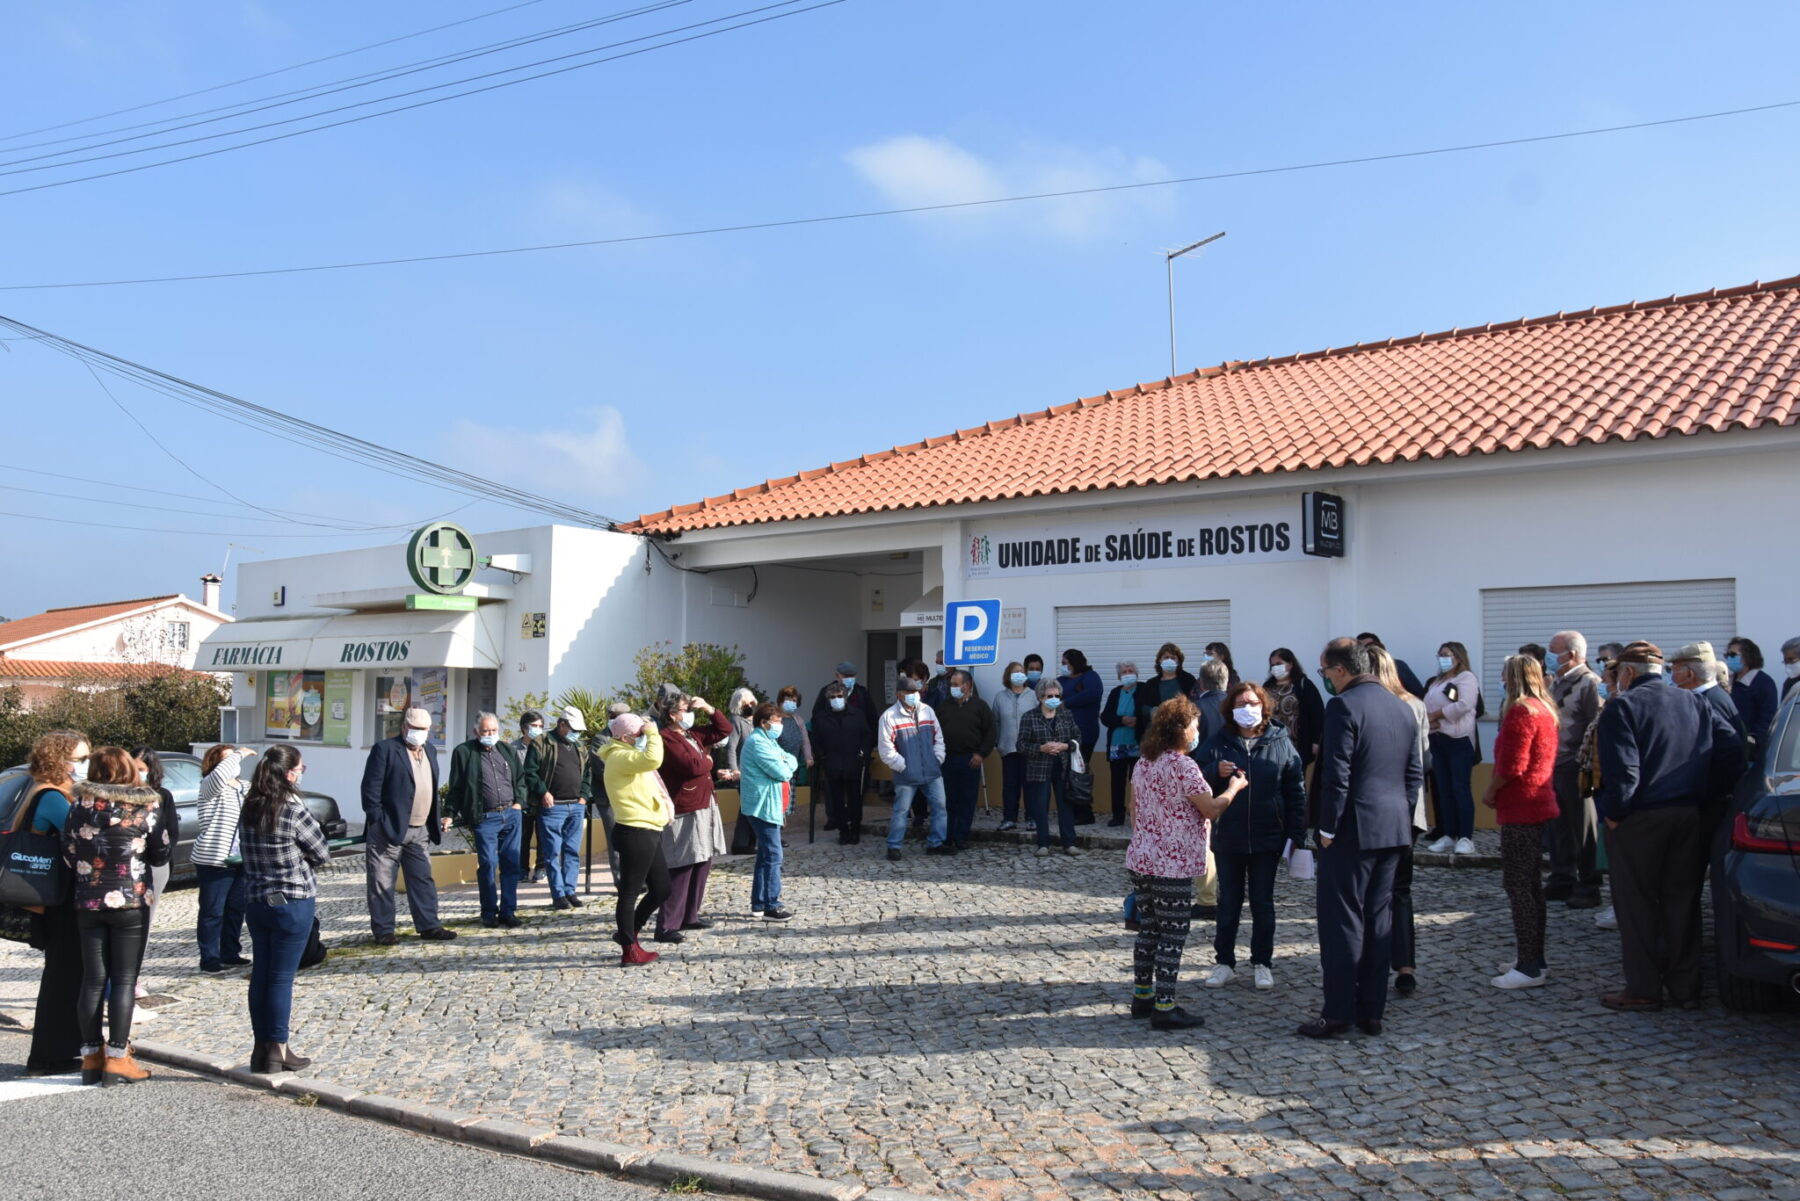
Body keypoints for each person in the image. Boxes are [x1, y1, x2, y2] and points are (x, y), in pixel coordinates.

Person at [1596, 642, 1742, 1010]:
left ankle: (1644, 988)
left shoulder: (1622, 706)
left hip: (1641, 817)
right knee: (1682, 902)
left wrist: (1615, 813)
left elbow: (1625, 770)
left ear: (1628, 672)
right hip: (1687, 813)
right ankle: (1685, 987)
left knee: (1637, 905)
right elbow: (1731, 748)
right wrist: (1705, 794)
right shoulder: (1693, 701)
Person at [1300, 638, 1423, 1039]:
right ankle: (1372, 1012)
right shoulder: (1402, 706)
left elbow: (1337, 773)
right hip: (1393, 828)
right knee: (1377, 920)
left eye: (1324, 671)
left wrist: (1327, 828)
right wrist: (1401, 818)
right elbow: (1414, 774)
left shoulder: (1343, 705)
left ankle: (1338, 1013)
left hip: (1351, 829)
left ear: (1340, 670)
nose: (1325, 679)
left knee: (1343, 922)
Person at [1126, 695, 1245, 1029]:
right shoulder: (1183, 766)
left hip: (1142, 858)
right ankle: (1165, 1006)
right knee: (1173, 934)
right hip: (1172, 864)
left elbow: (1133, 808)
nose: (1197, 733)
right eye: (1194, 726)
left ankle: (1142, 997)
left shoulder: (1144, 762)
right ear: (1180, 730)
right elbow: (1211, 808)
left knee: (1149, 929)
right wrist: (1234, 788)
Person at [59, 747, 170, 1085]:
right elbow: (161, 852)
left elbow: (68, 852)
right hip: (131, 900)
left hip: (88, 901)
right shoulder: (147, 805)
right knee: (123, 980)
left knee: (92, 979)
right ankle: (119, 1058)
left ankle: (91, 1056)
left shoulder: (79, 806)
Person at [1193, 682, 1305, 992]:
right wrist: (1214, 771)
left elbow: (1295, 791)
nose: (1247, 709)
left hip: (1268, 836)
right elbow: (1195, 778)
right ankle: (1224, 962)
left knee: (1262, 902)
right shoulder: (1218, 742)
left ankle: (1262, 962)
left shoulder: (1280, 741)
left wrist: (1296, 834)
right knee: (1228, 902)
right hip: (1229, 836)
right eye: (1241, 704)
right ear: (1231, 709)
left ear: (1263, 706)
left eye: (1253, 703)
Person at [238, 745, 328, 1074]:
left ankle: (260, 1049)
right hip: (292, 900)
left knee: (261, 974)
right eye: (301, 769)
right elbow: (321, 852)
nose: (302, 774)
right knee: (280, 978)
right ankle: (278, 1048)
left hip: (257, 900)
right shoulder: (292, 810)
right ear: (290, 774)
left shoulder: (250, 807)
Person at [1481, 656, 1560, 989]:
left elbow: (1513, 765)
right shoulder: (1544, 709)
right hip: (1535, 803)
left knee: (1518, 886)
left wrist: (1490, 791)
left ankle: (1529, 964)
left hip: (1521, 805)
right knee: (1530, 885)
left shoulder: (1521, 711)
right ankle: (1532, 958)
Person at [360, 707, 456, 944]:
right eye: (415, 728)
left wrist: (436, 818)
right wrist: (379, 822)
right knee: (382, 882)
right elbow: (370, 791)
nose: (420, 733)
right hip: (388, 830)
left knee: (423, 879)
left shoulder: (430, 750)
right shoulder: (385, 749)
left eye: (424, 729)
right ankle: (384, 931)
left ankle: (429, 926)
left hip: (420, 829)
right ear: (404, 727)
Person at [22, 730, 86, 1076]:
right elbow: (81, 834)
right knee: (64, 975)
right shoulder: (52, 795)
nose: (84, 765)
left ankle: (60, 1051)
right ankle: (49, 1056)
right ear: (58, 760)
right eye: (80, 759)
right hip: (58, 898)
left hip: (56, 895)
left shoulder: (46, 789)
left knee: (67, 973)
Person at [1366, 646, 1429, 996]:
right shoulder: (1415, 705)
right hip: (1410, 808)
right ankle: (1405, 966)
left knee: (1374, 890)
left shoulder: (1370, 706)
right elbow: (1424, 758)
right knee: (1400, 890)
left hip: (1380, 809)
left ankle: (1372, 962)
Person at [653, 687, 731, 939]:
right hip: (685, 807)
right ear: (672, 714)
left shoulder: (691, 734)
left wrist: (708, 708)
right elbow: (692, 766)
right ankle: (667, 924)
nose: (689, 714)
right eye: (685, 710)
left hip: (704, 803)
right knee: (683, 863)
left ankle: (690, 915)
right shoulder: (666, 738)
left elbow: (724, 730)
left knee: (702, 860)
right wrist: (709, 762)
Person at [597, 713, 673, 965]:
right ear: (624, 737)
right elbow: (653, 758)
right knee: (629, 892)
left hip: (647, 827)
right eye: (639, 734)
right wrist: (653, 733)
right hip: (634, 830)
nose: (643, 737)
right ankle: (629, 949)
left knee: (662, 888)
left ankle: (630, 933)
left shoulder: (627, 754)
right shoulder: (619, 756)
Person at [445, 712, 526, 929]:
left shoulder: (507, 750)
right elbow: (456, 786)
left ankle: (508, 911)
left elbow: (520, 779)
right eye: (485, 731)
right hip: (485, 817)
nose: (490, 734)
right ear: (476, 732)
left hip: (511, 814)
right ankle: (489, 911)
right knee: (489, 863)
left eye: (493, 730)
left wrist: (519, 802)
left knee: (511, 864)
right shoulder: (464, 752)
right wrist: (449, 813)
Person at [1670, 642, 1751, 857]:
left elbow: (1729, 751)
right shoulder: (1712, 696)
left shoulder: (1708, 701)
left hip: (1711, 801)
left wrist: (1706, 791)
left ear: (1690, 673)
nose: (1672, 676)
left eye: (1675, 670)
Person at [1544, 630, 1604, 909]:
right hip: (1554, 763)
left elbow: (1596, 725)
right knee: (1558, 826)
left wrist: (1590, 766)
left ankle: (1589, 883)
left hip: (1578, 766)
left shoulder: (1590, 682)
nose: (1548, 655)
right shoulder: (1556, 682)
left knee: (1583, 827)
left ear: (1570, 654)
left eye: (1552, 650)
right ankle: (1562, 877)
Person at [523, 705, 593, 910]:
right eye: (573, 729)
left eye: (578, 730)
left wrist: (583, 796)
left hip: (576, 806)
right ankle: (558, 895)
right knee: (552, 853)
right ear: (562, 724)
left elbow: (587, 773)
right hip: (552, 807)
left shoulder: (580, 747)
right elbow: (530, 773)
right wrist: (543, 792)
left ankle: (570, 891)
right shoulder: (541, 742)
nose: (576, 734)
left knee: (572, 851)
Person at [192, 743, 255, 972]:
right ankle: (209, 957)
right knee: (213, 910)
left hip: (241, 857)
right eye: (227, 760)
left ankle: (230, 952)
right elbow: (219, 776)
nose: (234, 763)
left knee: (236, 908)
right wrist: (238, 754)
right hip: (215, 858)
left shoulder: (244, 787)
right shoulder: (209, 785)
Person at [128, 747, 181, 1006]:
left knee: (145, 922)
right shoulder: (121, 794)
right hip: (128, 867)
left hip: (155, 865)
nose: (138, 773)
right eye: (134, 767)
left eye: (142, 769)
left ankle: (134, 976)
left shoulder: (162, 795)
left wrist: (159, 854)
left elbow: (171, 832)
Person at [739, 701, 799, 919]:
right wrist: (786, 765)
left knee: (765, 855)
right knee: (774, 854)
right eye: (776, 721)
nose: (779, 725)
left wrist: (786, 763)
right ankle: (771, 904)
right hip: (762, 806)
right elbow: (782, 772)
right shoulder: (758, 742)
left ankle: (759, 904)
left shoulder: (769, 741)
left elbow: (791, 759)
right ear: (764, 723)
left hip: (769, 804)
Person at [878, 676, 948, 860]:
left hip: (931, 771)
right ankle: (894, 846)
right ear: (899, 694)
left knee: (940, 807)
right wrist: (903, 766)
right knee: (901, 811)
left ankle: (936, 843)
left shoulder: (928, 711)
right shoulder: (889, 716)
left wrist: (937, 759)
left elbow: (938, 738)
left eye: (915, 692)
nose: (913, 695)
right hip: (906, 774)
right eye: (908, 692)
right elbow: (886, 749)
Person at [1423, 641, 1480, 855]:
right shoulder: (1437, 681)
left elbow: (1464, 704)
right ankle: (1448, 834)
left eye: (1446, 654)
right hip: (1438, 738)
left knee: (1459, 788)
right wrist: (1430, 721)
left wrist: (1437, 715)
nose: (1442, 658)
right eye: (1439, 655)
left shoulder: (1465, 678)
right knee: (1444, 789)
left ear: (1458, 656)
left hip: (1458, 739)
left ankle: (1465, 837)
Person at [1018, 678, 1083, 856]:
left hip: (1063, 767)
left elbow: (1078, 738)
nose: (1054, 699)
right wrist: (1041, 748)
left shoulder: (1066, 715)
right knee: (1040, 807)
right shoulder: (1029, 717)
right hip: (1039, 768)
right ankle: (1043, 843)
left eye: (1057, 695)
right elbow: (1021, 745)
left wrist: (1065, 746)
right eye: (1049, 696)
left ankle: (1069, 843)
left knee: (1066, 806)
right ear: (1040, 697)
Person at [937, 669, 996, 850]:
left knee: (967, 800)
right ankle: (946, 836)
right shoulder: (944, 707)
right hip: (947, 760)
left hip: (970, 760)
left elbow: (991, 732)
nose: (952, 688)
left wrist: (981, 754)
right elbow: (935, 732)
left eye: (956, 685)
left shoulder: (980, 706)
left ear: (967, 685)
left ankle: (961, 836)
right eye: (951, 685)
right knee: (948, 800)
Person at [812, 681, 874, 844]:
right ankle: (843, 831)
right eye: (832, 697)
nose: (836, 699)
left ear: (845, 697)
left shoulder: (857, 714)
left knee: (855, 800)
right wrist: (822, 757)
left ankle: (855, 830)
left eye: (839, 696)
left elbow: (867, 735)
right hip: (832, 764)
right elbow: (816, 740)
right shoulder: (821, 718)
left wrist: (863, 753)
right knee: (836, 801)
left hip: (854, 763)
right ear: (828, 699)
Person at [1057, 649, 1104, 823]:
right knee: (1068, 773)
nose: (1063, 666)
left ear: (1074, 662)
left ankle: (1084, 813)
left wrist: (1067, 703)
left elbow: (1092, 693)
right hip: (1065, 735)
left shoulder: (1090, 676)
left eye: (1065, 663)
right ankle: (1075, 811)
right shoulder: (1062, 680)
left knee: (1079, 772)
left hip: (1085, 733)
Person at [991, 661, 1037, 833]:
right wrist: (998, 743)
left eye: (1022, 671)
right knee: (1010, 785)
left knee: (1030, 785)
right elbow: (995, 721)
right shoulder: (1000, 697)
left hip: (1029, 748)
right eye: (1015, 671)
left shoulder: (1033, 695)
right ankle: (1009, 818)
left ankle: (1031, 818)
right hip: (1008, 748)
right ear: (1008, 676)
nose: (1019, 674)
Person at [1263, 648, 1326, 768]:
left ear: (1290, 664)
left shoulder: (1303, 685)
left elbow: (1317, 714)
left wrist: (1316, 741)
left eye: (1279, 664)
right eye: (1272, 665)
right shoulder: (1267, 687)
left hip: (1298, 744)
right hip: (1272, 745)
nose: (1275, 668)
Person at [1101, 661, 1144, 829]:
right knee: (1117, 782)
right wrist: (1122, 720)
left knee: (1138, 782)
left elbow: (1148, 712)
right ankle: (1117, 816)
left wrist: (1138, 720)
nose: (1127, 674)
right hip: (1117, 745)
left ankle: (1139, 816)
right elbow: (1105, 717)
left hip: (1138, 744)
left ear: (1136, 674)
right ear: (1119, 676)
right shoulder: (1115, 693)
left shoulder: (1144, 689)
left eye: (1130, 671)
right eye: (1124, 672)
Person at [511, 710, 547, 884]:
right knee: (522, 837)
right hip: (521, 800)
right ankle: (522, 870)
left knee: (542, 835)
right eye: (534, 726)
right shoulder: (513, 749)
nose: (537, 729)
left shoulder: (545, 747)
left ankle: (541, 868)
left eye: (540, 726)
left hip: (541, 798)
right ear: (524, 727)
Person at [1725, 637, 1779, 749]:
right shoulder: (1727, 681)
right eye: (1727, 655)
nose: (1729, 658)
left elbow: (1767, 717)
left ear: (1748, 656)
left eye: (1733, 655)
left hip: (1750, 747)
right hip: (1727, 744)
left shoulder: (1764, 683)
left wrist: (1753, 740)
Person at [723, 686, 758, 853]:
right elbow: (731, 747)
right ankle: (740, 844)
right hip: (743, 772)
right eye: (745, 705)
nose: (749, 707)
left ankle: (749, 842)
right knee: (747, 808)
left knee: (751, 807)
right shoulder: (736, 721)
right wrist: (734, 770)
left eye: (751, 703)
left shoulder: (755, 720)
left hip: (755, 772)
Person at [1358, 633, 1425, 698]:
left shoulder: (1398, 665)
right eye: (1360, 648)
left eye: (1371, 646)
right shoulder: (1357, 670)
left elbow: (1418, 691)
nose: (1367, 650)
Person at [773, 685, 814, 787]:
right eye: (788, 699)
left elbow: (805, 741)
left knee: (790, 794)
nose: (791, 702)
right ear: (781, 701)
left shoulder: (799, 720)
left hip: (793, 766)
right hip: (776, 766)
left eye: (794, 700)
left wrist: (808, 757)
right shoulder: (774, 718)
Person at [1189, 660, 1232, 748]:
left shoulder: (1195, 707)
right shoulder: (1236, 705)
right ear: (1227, 681)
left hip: (1202, 755)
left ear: (1201, 682)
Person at [1781, 636, 1800, 702]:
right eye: (1785, 661)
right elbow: (1784, 706)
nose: (1788, 664)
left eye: (1791, 660)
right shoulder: (1789, 683)